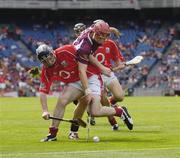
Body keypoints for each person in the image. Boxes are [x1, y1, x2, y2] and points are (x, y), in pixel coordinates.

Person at [39, 21, 133, 142]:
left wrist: (111, 30)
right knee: (62, 100)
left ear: (53, 52)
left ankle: (119, 111)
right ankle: (52, 134)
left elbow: (85, 67)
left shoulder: (68, 50)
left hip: (92, 77)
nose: (49, 61)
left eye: (50, 57)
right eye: (45, 61)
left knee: (94, 111)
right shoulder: (83, 47)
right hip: (78, 78)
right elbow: (43, 91)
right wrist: (45, 111)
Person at [70, 21, 126, 133]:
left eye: (80, 30)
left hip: (97, 75)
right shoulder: (82, 44)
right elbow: (82, 68)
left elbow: (102, 28)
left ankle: (115, 116)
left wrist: (112, 29)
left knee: (110, 99)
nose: (79, 33)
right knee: (81, 102)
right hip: (87, 74)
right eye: (77, 32)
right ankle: (73, 131)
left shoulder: (95, 36)